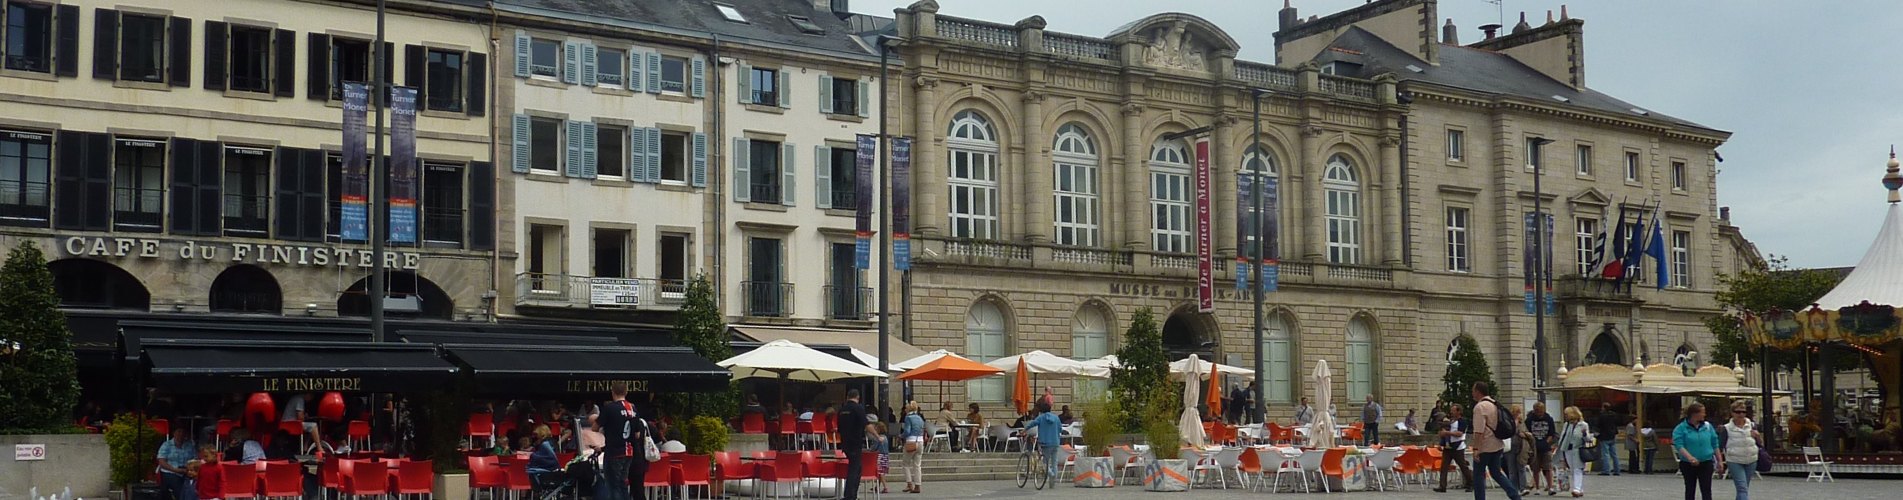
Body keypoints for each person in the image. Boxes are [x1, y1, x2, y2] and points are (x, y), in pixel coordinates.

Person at [1468, 382, 1524, 500]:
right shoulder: (1494, 404)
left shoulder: (1480, 407)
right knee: (1496, 473)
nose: (1472, 393)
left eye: (1473, 391)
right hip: (1497, 444)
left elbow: (1479, 430)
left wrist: (1476, 448)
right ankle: (1514, 495)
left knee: (1478, 475)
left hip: (1485, 446)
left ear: (1478, 392)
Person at [591, 381, 647, 500]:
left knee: (613, 485)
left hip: (614, 451)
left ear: (612, 392)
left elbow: (595, 427)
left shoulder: (609, 408)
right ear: (626, 392)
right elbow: (637, 434)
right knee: (622, 484)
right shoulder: (633, 408)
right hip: (629, 452)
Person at [1673, 402, 1720, 500]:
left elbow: (1715, 443)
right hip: (1688, 463)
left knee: (1706, 489)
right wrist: (1690, 458)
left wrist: (1719, 460)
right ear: (1695, 414)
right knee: (1690, 488)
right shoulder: (1681, 428)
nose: (1704, 415)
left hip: (1706, 461)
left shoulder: (1707, 426)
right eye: (1703, 412)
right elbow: (1679, 445)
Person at [1720, 401, 1761, 500]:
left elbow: (1760, 444)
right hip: (1735, 460)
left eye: (1743, 412)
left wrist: (1758, 436)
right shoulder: (1726, 428)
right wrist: (1719, 461)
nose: (1741, 414)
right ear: (1732, 413)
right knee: (1742, 487)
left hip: (1751, 459)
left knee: (1744, 488)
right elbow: (1721, 445)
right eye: (1738, 412)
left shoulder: (1751, 425)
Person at [838, 389, 871, 500]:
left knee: (857, 468)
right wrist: (878, 436)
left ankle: (853, 494)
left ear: (847, 397)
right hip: (855, 442)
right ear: (858, 397)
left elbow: (839, 428)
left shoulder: (842, 410)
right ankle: (849, 496)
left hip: (845, 443)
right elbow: (867, 425)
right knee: (854, 468)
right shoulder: (858, 408)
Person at [1434, 404, 1473, 493]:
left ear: (1459, 412)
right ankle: (1442, 486)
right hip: (1448, 447)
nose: (1451, 412)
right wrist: (1442, 442)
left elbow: (1460, 433)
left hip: (1458, 447)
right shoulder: (1450, 421)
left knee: (1463, 466)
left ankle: (1471, 483)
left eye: (1453, 410)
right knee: (1444, 466)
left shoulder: (1462, 421)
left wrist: (1447, 433)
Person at [1555, 406, 1591, 498]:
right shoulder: (1567, 425)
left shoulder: (1583, 425)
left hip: (1578, 449)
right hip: (1567, 449)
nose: (1565, 416)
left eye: (1567, 414)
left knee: (1577, 469)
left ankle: (1576, 489)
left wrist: (1585, 434)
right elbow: (1563, 436)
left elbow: (1587, 439)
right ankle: (1580, 489)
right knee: (1572, 469)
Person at [1524, 402, 1557, 495]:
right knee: (1535, 468)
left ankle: (1550, 487)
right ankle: (1537, 488)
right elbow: (1527, 432)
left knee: (1548, 467)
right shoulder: (1530, 420)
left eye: (1541, 411)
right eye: (1537, 411)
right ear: (1534, 410)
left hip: (1546, 447)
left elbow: (1552, 433)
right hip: (1534, 447)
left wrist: (1546, 442)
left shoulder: (1549, 419)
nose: (1539, 413)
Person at [156, 427, 197, 500]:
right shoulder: (166, 445)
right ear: (174, 433)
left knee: (193, 487)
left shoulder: (190, 445)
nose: (181, 434)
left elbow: (195, 459)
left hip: (187, 471)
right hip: (170, 471)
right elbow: (161, 461)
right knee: (179, 488)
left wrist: (189, 469)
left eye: (183, 432)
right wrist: (175, 470)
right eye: (179, 431)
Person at [900, 401, 927, 494]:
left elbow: (907, 431)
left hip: (911, 441)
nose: (905, 410)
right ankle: (918, 485)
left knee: (906, 464)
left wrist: (901, 435)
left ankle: (909, 484)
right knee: (917, 465)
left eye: (906, 408)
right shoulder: (920, 418)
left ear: (909, 409)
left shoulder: (908, 418)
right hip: (920, 441)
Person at [1032, 401, 1063, 482]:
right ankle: (1053, 483)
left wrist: (1024, 431)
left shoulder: (1041, 417)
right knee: (1054, 463)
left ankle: (1051, 474)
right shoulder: (1056, 418)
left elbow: (1032, 424)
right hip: (1056, 442)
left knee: (1044, 462)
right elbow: (1060, 429)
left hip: (1045, 443)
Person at [1593, 403, 1624, 475]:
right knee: (1614, 454)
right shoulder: (1614, 415)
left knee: (1605, 454)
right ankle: (1617, 470)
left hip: (1604, 436)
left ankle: (1606, 470)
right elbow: (1618, 422)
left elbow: (1598, 425)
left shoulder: (1602, 416)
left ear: (1604, 408)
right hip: (1612, 435)